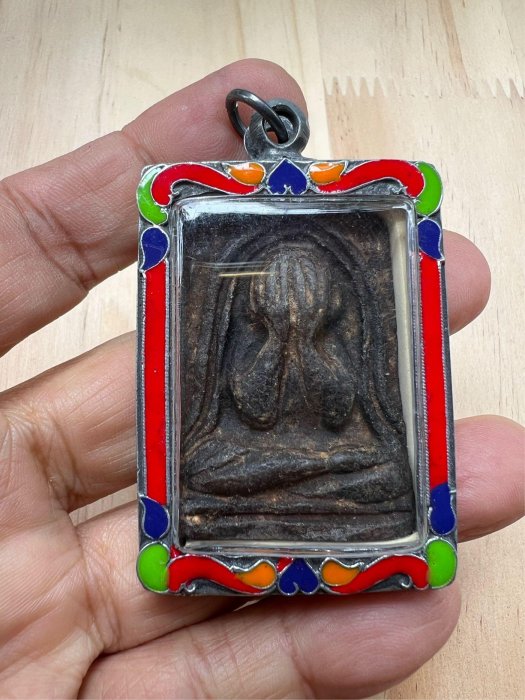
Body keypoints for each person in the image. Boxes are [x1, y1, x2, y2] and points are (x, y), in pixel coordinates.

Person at [0, 59, 522, 698]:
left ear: (333, 300)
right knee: (204, 469)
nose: (293, 304)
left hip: (345, 462)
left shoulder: (335, 341)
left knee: (388, 473)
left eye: (309, 295)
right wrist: (279, 335)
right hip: (241, 462)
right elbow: (252, 408)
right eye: (277, 296)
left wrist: (308, 335)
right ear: (250, 304)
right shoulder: (251, 339)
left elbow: (339, 411)